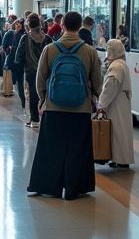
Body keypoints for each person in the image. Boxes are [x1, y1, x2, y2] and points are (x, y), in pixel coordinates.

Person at [28, 11, 102, 199]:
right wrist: (92, 98)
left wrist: (44, 99)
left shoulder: (50, 49)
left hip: (54, 108)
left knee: (51, 148)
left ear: (62, 26)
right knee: (78, 149)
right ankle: (74, 188)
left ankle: (49, 186)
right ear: (79, 27)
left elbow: (40, 79)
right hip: (80, 108)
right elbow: (97, 82)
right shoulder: (89, 51)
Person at [97, 38, 134, 168]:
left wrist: (101, 104)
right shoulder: (122, 64)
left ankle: (120, 159)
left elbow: (110, 87)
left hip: (115, 103)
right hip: (121, 102)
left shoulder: (116, 66)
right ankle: (120, 158)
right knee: (122, 131)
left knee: (117, 132)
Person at [16, 14, 51, 128]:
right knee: (46, 95)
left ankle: (34, 120)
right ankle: (46, 119)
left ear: (28, 24)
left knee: (32, 95)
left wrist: (19, 68)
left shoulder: (25, 38)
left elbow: (19, 56)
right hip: (46, 72)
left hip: (31, 72)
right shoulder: (47, 38)